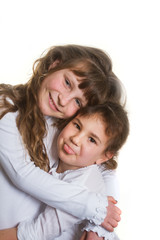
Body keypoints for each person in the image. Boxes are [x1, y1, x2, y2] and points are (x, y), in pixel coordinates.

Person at [0, 45, 124, 239]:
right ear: (54, 64)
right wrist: (96, 207)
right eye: (67, 83)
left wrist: (99, 227)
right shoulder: (6, 105)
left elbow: (104, 168)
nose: (63, 101)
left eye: (78, 102)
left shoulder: (67, 127)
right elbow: (22, 173)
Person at [16, 102, 129, 240]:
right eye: (77, 126)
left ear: (104, 156)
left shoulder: (83, 185)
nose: (75, 139)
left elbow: (35, 234)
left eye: (92, 140)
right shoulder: (57, 156)